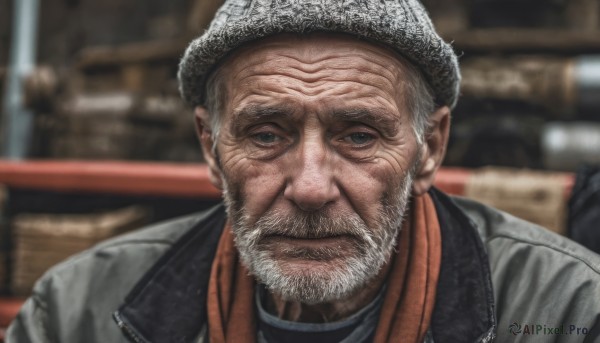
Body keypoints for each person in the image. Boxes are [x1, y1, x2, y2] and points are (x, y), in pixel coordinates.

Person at [7, 0, 600, 342]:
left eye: (359, 136)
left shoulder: (571, 311)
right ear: (211, 148)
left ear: (429, 148)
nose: (311, 187)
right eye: (266, 134)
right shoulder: (76, 313)